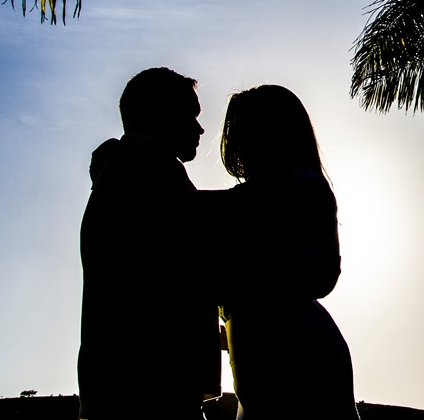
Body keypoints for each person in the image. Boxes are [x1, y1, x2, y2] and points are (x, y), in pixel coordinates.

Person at [78, 67, 221, 420]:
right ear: (161, 115)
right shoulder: (148, 166)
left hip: (133, 386)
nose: (200, 129)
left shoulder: (130, 168)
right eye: (190, 115)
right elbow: (196, 249)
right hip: (148, 390)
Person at [212, 84, 359, 420]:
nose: (237, 144)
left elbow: (320, 275)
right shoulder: (270, 196)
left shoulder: (296, 189)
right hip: (269, 346)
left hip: (292, 351)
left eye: (244, 132)